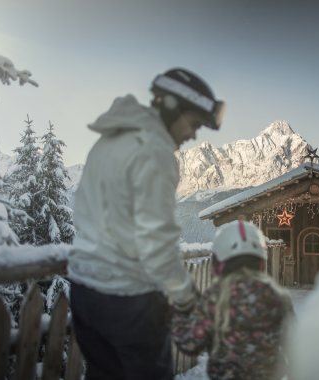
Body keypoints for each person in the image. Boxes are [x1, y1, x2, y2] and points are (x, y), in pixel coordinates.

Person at [67, 68, 225, 379]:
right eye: (193, 124)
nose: (193, 134)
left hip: (84, 290)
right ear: (170, 108)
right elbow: (157, 243)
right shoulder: (155, 154)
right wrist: (185, 296)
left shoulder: (110, 139)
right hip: (128, 298)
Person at [171, 220, 295, 380]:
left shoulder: (216, 297)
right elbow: (295, 347)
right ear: (261, 261)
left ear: (219, 263)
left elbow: (190, 343)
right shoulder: (278, 297)